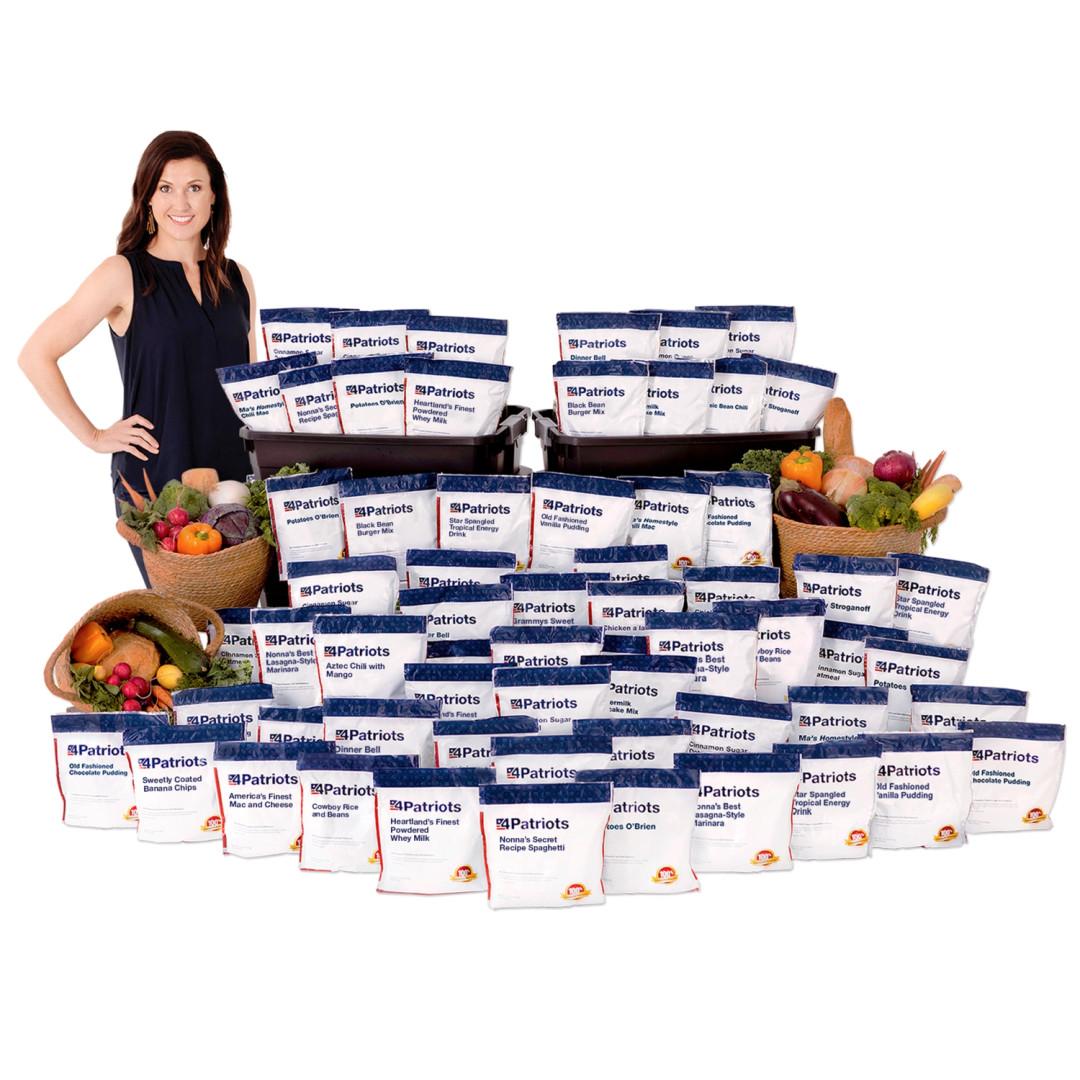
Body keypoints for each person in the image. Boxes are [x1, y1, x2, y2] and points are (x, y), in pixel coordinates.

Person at [18, 130, 257, 583]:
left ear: (214, 196)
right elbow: (36, 354)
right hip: (156, 483)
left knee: (237, 616)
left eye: (194, 187)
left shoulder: (238, 278)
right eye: (165, 188)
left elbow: (250, 388)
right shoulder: (122, 273)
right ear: (147, 197)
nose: (180, 202)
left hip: (234, 480)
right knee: (180, 616)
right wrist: (94, 436)